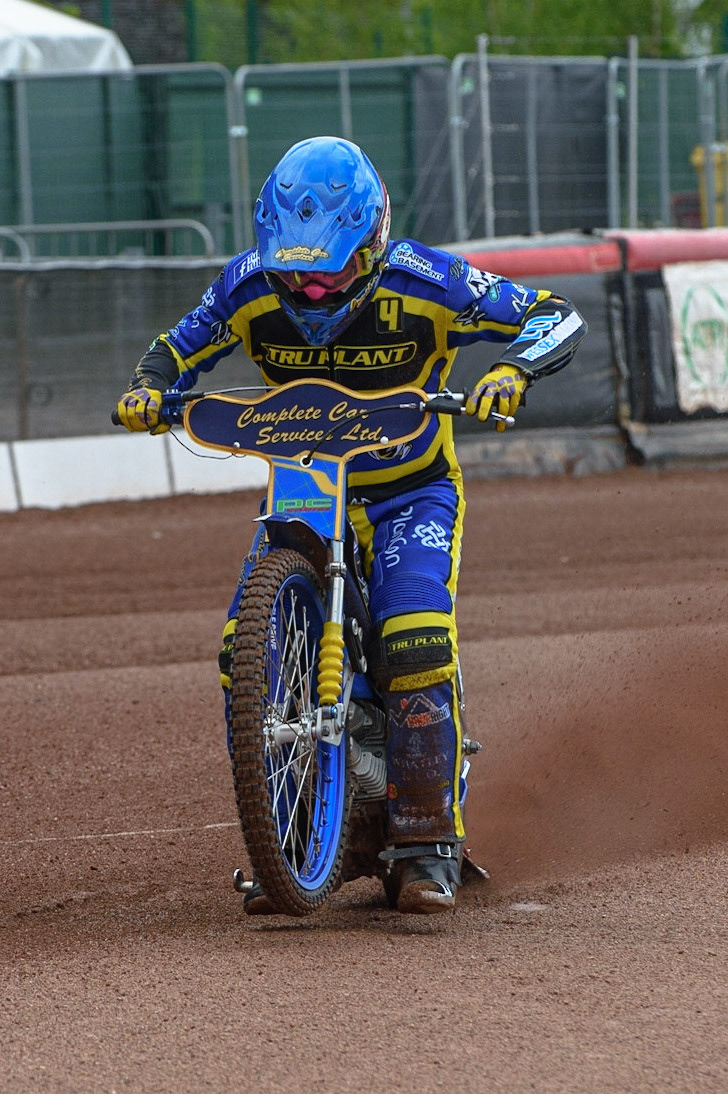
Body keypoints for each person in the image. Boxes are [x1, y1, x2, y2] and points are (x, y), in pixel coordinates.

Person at [116, 135, 587, 915]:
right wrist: (147, 387)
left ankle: (428, 843)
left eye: (330, 270)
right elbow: (175, 348)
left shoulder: (429, 281)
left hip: (410, 493)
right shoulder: (246, 287)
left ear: (372, 244)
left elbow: (554, 316)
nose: (310, 288)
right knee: (243, 652)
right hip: (305, 494)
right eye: (293, 271)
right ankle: (297, 843)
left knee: (414, 637)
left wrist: (513, 368)